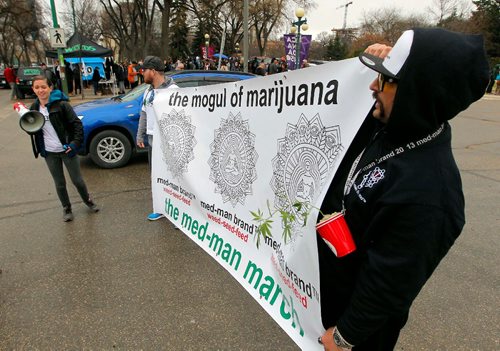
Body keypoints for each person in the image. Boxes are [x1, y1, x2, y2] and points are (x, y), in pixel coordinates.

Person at [317, 28, 488, 351]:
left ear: (418, 91)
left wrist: (345, 335)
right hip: (322, 298)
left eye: (386, 80)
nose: (373, 85)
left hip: (355, 333)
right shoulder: (394, 126)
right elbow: (340, 121)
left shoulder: (431, 193)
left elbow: (390, 282)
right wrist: (373, 63)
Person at [28, 75, 99, 222]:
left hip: (67, 150)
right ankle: (66, 208)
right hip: (49, 152)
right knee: (59, 183)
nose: (40, 90)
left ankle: (88, 201)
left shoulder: (61, 105)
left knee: (77, 180)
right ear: (33, 89)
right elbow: (33, 130)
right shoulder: (34, 108)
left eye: (43, 87)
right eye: (37, 87)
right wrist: (27, 123)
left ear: (50, 88)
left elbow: (77, 125)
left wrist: (74, 144)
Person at [136, 56, 178, 221]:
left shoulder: (173, 91)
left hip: (168, 144)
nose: (142, 74)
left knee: (173, 178)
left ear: (152, 71)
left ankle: (178, 213)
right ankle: (161, 208)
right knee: (156, 176)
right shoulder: (148, 91)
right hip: (153, 141)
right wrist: (140, 134)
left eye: (144, 70)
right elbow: (144, 113)